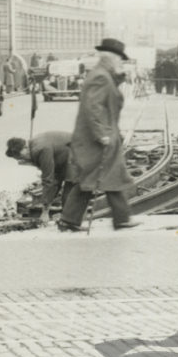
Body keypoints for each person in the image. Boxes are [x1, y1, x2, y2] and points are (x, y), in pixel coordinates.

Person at [57, 38, 140, 232]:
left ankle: (69, 220)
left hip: (100, 137)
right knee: (108, 176)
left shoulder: (104, 75)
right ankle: (121, 219)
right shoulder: (100, 76)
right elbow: (92, 108)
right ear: (110, 57)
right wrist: (102, 134)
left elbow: (106, 101)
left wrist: (119, 77)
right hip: (96, 139)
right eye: (119, 58)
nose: (121, 61)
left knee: (93, 179)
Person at [5, 132, 73, 224]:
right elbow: (55, 178)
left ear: (25, 148)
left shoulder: (41, 150)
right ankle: (67, 219)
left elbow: (49, 180)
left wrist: (45, 212)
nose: (23, 160)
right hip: (66, 155)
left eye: (21, 157)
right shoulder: (33, 144)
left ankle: (69, 221)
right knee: (62, 181)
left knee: (71, 183)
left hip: (79, 152)